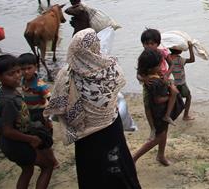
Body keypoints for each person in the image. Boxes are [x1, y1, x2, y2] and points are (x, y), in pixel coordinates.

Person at [45, 29, 140, 187]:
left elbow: (58, 108)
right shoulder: (111, 68)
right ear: (95, 46)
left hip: (85, 135)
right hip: (110, 128)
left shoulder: (65, 74)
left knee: (91, 170)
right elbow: (115, 93)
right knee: (118, 163)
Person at [0, 54, 55, 189]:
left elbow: (0, 121)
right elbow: (8, 130)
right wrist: (31, 138)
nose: (17, 76)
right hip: (18, 144)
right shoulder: (9, 100)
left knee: (27, 170)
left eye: (17, 71)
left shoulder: (1, 90)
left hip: (10, 144)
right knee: (48, 166)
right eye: (11, 74)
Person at [133, 49, 177, 166]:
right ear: (151, 68)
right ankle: (134, 158)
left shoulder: (150, 77)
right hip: (158, 112)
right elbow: (158, 99)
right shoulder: (155, 82)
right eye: (159, 65)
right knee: (159, 136)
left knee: (163, 132)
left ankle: (160, 155)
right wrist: (170, 96)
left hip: (157, 111)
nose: (160, 67)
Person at [17, 53, 50, 126]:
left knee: (40, 127)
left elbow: (50, 99)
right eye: (23, 69)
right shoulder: (22, 80)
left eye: (29, 68)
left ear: (36, 67)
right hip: (29, 109)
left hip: (40, 111)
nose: (26, 71)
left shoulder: (40, 85)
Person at [168, 44, 195, 121]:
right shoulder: (180, 60)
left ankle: (170, 114)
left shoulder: (168, 57)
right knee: (188, 97)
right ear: (179, 51)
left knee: (174, 99)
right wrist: (190, 48)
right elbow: (192, 60)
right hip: (181, 83)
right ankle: (185, 116)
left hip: (174, 83)